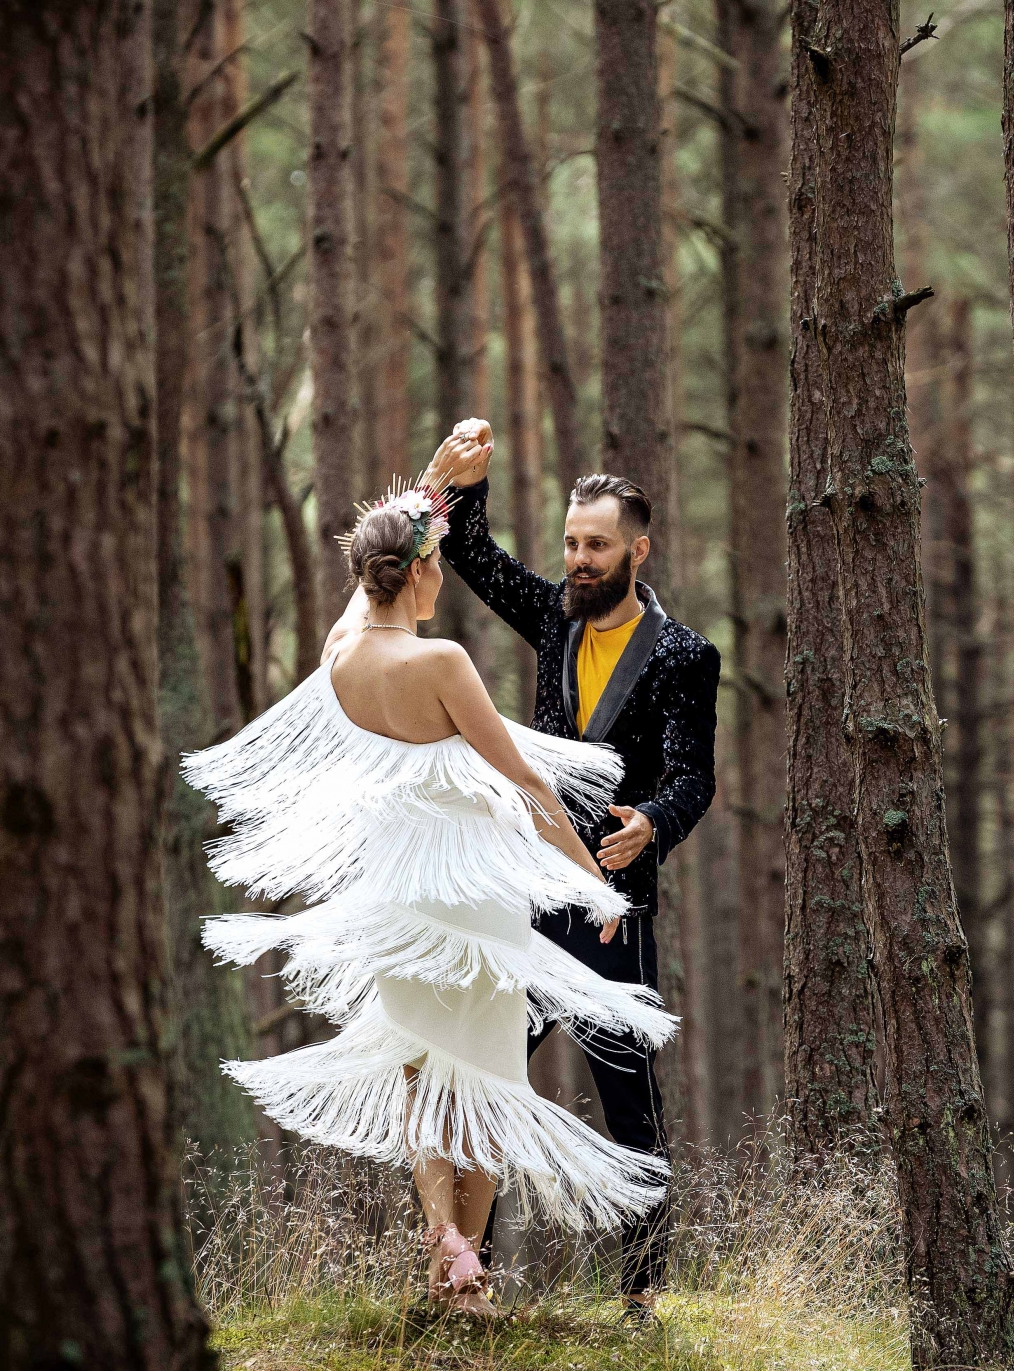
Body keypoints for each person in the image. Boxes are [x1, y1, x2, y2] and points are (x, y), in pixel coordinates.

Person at [184, 481, 677, 1318]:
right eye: (436, 562)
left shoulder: (342, 657)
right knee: (484, 1084)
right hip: (471, 903)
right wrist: (589, 878)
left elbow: (357, 607)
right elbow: (523, 782)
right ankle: (467, 1287)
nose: (442, 576)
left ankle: (447, 1253)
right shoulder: (440, 662)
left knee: (424, 1082)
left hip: (397, 903)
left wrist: (424, 494)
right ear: (414, 573)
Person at [421, 420, 721, 1323]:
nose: (577, 560)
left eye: (595, 545)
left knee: (627, 1097)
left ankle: (641, 1293)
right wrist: (458, 482)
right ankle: (462, 1279)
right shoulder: (555, 618)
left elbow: (694, 776)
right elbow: (471, 555)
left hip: (613, 909)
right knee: (487, 1075)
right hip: (533, 895)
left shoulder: (684, 655)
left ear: (638, 548)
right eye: (569, 543)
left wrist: (654, 825)